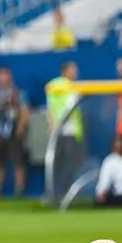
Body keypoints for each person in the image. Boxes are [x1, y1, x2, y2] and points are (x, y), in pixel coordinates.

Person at [46, 62, 84, 201]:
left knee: (68, 164)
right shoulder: (59, 86)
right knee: (61, 163)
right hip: (63, 131)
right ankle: (59, 193)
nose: (75, 72)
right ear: (65, 71)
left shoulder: (73, 86)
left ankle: (64, 192)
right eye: (72, 69)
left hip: (70, 131)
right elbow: (51, 108)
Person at [0, 67, 29, 196]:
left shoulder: (18, 93)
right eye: (0, 78)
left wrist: (20, 128)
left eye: (4, 78)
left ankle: (19, 190)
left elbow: (24, 111)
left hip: (13, 132)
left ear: (9, 78)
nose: (2, 81)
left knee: (18, 162)